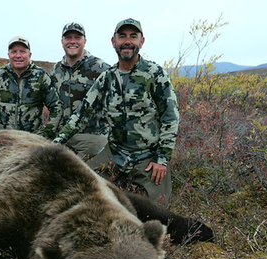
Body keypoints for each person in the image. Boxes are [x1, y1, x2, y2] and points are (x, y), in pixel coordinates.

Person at [53, 19, 180, 206]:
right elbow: (81, 115)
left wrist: (162, 158)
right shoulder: (107, 78)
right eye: (122, 37)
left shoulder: (155, 75)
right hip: (115, 153)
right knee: (82, 191)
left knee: (155, 210)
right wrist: (55, 143)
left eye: (133, 37)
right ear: (114, 42)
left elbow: (170, 117)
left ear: (141, 42)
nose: (127, 41)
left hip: (147, 156)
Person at [0, 36, 62, 138]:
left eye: (23, 52)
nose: (18, 55)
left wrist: (46, 135)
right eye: (14, 52)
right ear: (9, 55)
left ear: (30, 55)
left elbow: (56, 107)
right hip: (4, 140)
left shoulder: (41, 76)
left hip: (33, 141)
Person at [49, 22, 110, 160]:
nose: (72, 41)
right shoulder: (56, 70)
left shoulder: (102, 69)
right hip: (63, 135)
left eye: (77, 37)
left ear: (84, 41)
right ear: (62, 41)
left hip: (92, 136)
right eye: (68, 37)